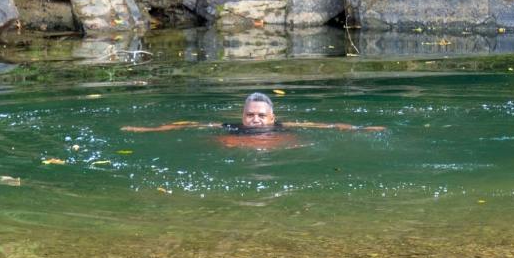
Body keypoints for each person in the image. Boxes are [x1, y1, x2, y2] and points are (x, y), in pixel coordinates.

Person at [122, 92, 384, 145]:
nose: (255, 119)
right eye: (250, 115)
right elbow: (190, 124)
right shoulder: (232, 128)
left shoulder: (283, 127)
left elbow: (325, 126)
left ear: (272, 118)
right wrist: (150, 130)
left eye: (261, 115)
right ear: (242, 116)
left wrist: (359, 128)